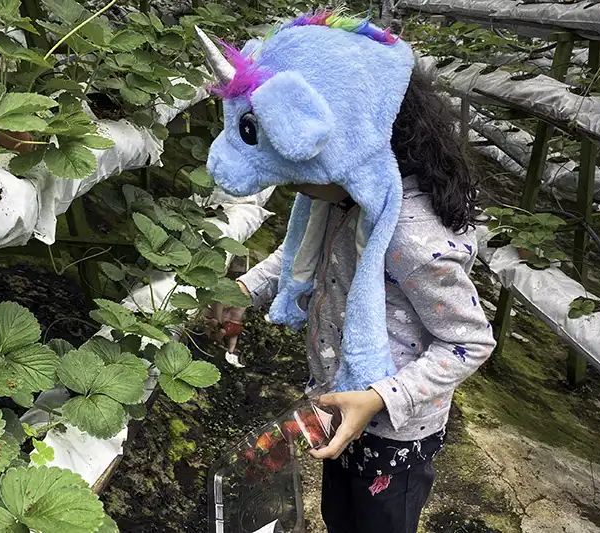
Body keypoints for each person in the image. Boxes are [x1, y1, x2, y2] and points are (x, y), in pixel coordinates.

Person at [199, 12, 496, 533]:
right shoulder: (346, 199)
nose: (296, 190)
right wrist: (247, 287)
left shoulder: (411, 238)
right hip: (338, 401)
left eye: (298, 177)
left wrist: (382, 397)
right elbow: (315, 257)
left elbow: (469, 342)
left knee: (379, 521)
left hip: (393, 433)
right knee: (341, 515)